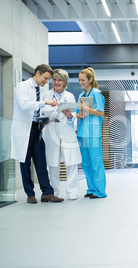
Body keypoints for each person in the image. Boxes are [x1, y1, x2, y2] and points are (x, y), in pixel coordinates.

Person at [11, 64, 64, 203]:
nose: (46, 82)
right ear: (38, 73)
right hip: (23, 130)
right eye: (45, 78)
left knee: (41, 161)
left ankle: (47, 192)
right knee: (25, 162)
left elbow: (37, 110)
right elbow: (25, 105)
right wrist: (45, 102)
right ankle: (30, 194)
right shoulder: (22, 86)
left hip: (36, 128)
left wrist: (46, 116)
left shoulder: (38, 89)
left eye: (48, 80)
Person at [42, 69, 82, 200]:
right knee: (53, 164)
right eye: (54, 79)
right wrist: (55, 111)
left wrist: (70, 116)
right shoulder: (46, 95)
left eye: (59, 80)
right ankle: (55, 192)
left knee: (71, 163)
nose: (56, 82)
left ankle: (72, 191)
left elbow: (71, 118)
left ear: (65, 82)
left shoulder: (69, 96)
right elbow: (44, 113)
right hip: (51, 133)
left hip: (67, 133)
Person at [76, 67, 107, 199]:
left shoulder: (96, 94)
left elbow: (101, 113)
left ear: (90, 80)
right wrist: (80, 113)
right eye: (79, 80)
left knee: (96, 162)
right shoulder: (81, 96)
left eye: (83, 80)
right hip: (82, 133)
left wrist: (86, 108)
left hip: (93, 134)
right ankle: (91, 189)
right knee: (86, 163)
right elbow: (78, 115)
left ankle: (100, 191)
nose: (81, 82)